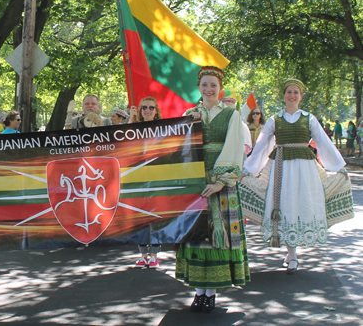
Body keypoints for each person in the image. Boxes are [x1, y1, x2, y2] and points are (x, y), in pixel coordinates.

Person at [240, 79, 352, 276]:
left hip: (305, 169)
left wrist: (339, 166)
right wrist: (248, 169)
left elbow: (323, 142)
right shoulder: (275, 120)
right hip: (280, 167)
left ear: (301, 96)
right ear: (284, 95)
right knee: (284, 205)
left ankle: (293, 253)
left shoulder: (309, 118)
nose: (292, 95)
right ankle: (291, 254)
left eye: (296, 92)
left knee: (301, 204)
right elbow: (262, 145)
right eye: (289, 92)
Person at [176, 67, 249, 313]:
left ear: (221, 89)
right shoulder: (189, 114)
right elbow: (182, 148)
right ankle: (198, 292)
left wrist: (220, 180)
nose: (209, 89)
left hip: (221, 183)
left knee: (219, 234)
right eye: (205, 85)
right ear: (199, 88)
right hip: (196, 182)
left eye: (213, 85)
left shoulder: (231, 114)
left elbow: (234, 146)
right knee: (197, 233)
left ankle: (211, 293)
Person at [128, 96, 163, 268]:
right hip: (138, 178)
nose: (147, 111)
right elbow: (121, 143)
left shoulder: (164, 129)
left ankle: (154, 255)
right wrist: (131, 119)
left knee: (155, 217)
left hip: (157, 177)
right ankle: (143, 255)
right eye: (144, 108)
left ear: (156, 111)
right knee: (139, 217)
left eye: (151, 108)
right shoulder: (133, 129)